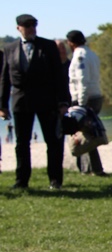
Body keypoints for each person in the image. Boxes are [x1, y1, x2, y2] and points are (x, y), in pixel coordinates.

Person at [0, 14, 71, 189]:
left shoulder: (48, 46)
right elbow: (4, 79)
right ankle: (21, 180)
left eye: (34, 25)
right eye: (27, 26)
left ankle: (55, 180)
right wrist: (2, 105)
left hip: (47, 101)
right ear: (19, 28)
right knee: (21, 143)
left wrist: (63, 102)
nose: (32, 28)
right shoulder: (9, 49)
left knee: (53, 142)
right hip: (21, 101)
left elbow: (59, 76)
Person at [66, 30, 106, 176]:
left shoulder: (79, 57)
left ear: (71, 42)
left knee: (86, 136)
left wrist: (81, 104)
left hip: (86, 98)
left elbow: (82, 80)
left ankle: (92, 168)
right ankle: (90, 168)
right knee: (88, 134)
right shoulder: (92, 54)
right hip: (95, 96)